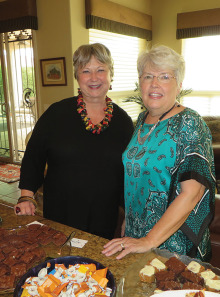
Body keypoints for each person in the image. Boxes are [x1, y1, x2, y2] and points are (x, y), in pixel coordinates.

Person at [102, 45, 216, 261]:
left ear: (179, 85)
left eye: (164, 76)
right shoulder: (142, 121)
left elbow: (192, 193)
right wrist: (129, 218)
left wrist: (149, 240)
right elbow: (137, 176)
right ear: (140, 83)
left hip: (173, 244)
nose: (154, 84)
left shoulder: (190, 123)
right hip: (137, 237)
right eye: (148, 76)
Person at [14, 43, 134, 239]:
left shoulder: (124, 122)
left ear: (111, 75)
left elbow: (128, 174)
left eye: (101, 70)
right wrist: (27, 196)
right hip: (60, 215)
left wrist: (128, 215)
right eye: (86, 71)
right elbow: (33, 156)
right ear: (77, 77)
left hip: (104, 217)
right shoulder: (56, 113)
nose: (94, 78)